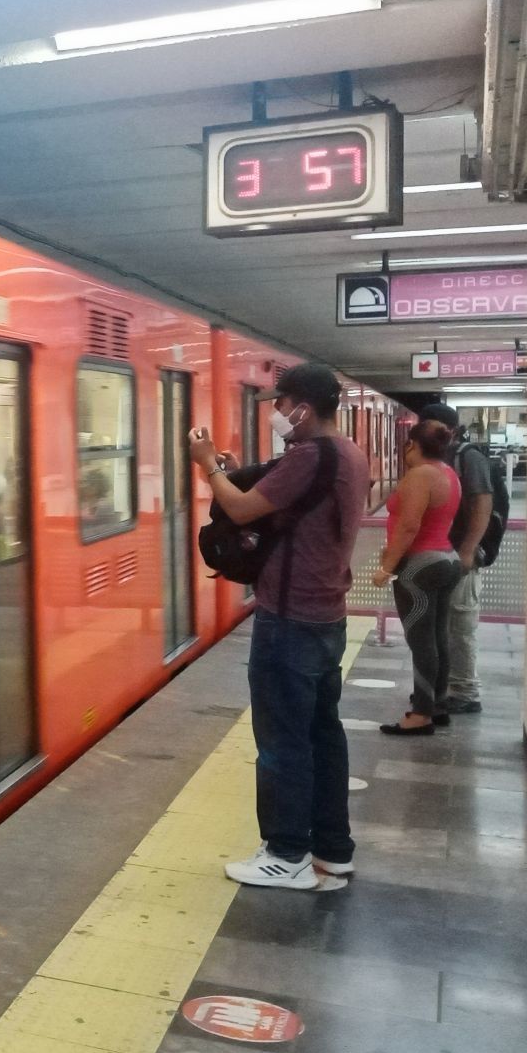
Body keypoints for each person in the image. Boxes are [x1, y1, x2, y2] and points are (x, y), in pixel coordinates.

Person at [188, 363, 368, 889]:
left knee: (282, 740)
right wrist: (228, 470)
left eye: (281, 403)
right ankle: (333, 850)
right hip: (325, 615)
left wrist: (207, 466)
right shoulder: (348, 453)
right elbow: (282, 503)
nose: (277, 413)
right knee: (322, 735)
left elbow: (242, 510)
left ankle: (286, 853)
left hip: (290, 619)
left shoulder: (312, 454)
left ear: (304, 407)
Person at [373, 420, 462, 735]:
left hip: (419, 566)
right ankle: (437, 704)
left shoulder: (419, 476)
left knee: (421, 640)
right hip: (447, 559)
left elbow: (408, 526)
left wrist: (386, 568)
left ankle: (421, 713)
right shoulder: (448, 474)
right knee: (438, 636)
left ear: (411, 444)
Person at [418, 402, 492, 717]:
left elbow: (482, 503)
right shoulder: (437, 458)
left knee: (461, 625)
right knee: (440, 626)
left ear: (450, 429)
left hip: (461, 558)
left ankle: (465, 691)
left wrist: (467, 550)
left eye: (434, 426)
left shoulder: (468, 458)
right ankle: (441, 688)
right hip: (439, 558)